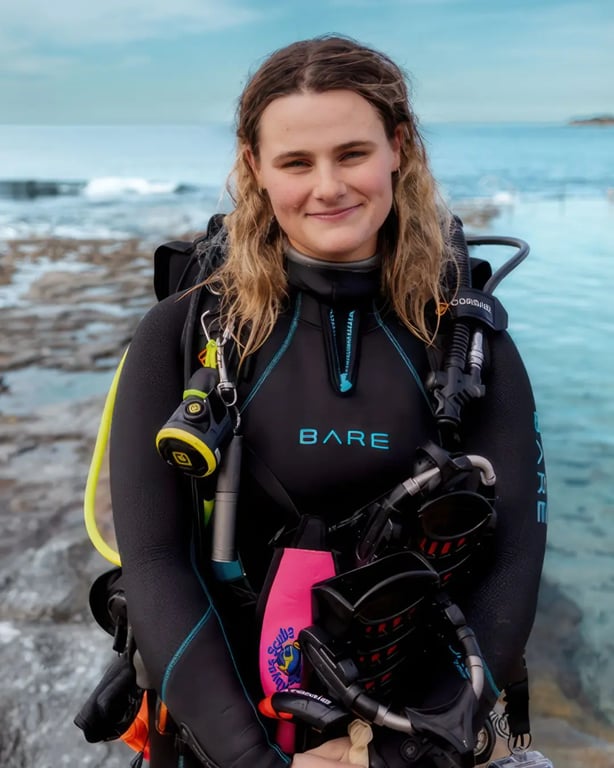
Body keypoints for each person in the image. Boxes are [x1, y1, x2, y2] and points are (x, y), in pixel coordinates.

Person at [107, 35, 547, 768]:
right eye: (296, 162)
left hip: (416, 735)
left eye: (352, 154)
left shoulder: (466, 344)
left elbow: (513, 567)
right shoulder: (184, 334)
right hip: (225, 738)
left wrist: (396, 755)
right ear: (254, 166)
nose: (328, 187)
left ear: (398, 148)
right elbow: (155, 564)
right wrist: (254, 762)